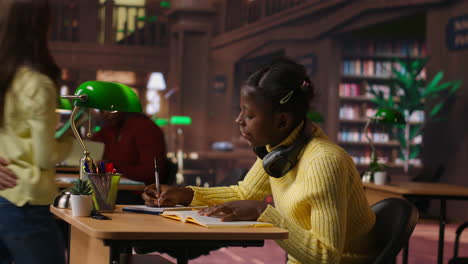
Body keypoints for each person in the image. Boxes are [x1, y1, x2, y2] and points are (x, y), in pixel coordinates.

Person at [142, 58, 378, 263]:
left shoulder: (324, 161)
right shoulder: (281, 149)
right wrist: (186, 195)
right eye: (241, 110)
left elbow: (326, 257)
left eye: (250, 114)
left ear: (282, 121)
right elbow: (246, 193)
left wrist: (263, 211)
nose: (239, 120)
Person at [0, 1, 72, 263]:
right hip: (25, 200)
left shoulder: (5, 79)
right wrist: (70, 140)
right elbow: (45, 157)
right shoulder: (37, 84)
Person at [90, 111, 168, 204]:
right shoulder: (111, 128)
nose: (105, 114)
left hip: (142, 196)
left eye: (110, 109)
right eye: (101, 110)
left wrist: (113, 167)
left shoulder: (145, 128)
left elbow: (150, 172)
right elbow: (90, 145)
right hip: (118, 189)